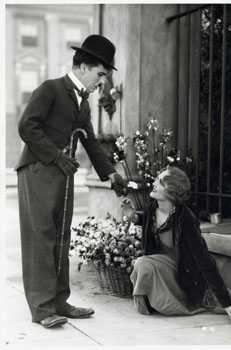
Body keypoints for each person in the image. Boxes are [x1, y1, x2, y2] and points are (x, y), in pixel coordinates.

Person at [15, 34, 127, 328]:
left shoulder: (84, 104)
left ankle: (60, 301)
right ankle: (41, 309)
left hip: (63, 173)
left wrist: (110, 173)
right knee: (41, 238)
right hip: (38, 170)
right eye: (100, 74)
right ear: (83, 66)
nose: (102, 82)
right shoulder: (50, 89)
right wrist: (55, 156)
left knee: (61, 236)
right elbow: (27, 126)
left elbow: (90, 141)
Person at [122, 166, 231, 323]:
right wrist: (134, 217)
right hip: (164, 263)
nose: (154, 183)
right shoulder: (152, 208)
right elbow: (149, 221)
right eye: (157, 179)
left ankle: (170, 301)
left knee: (143, 263)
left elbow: (203, 258)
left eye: (160, 182)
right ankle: (152, 302)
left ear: (172, 190)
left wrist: (227, 303)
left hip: (184, 272)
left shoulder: (186, 218)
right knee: (143, 263)